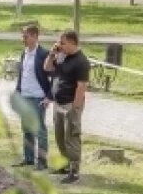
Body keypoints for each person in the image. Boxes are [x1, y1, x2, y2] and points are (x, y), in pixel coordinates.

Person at [43, 29, 91, 184]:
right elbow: (47, 68)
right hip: (59, 103)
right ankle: (64, 165)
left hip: (71, 104)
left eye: (63, 43)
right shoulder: (62, 57)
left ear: (72, 42)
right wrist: (52, 54)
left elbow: (82, 86)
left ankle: (74, 171)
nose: (60, 45)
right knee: (60, 136)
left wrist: (75, 108)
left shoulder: (81, 61)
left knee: (72, 137)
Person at [14, 23, 53, 170]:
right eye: (22, 36)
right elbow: (22, 75)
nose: (23, 39)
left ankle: (42, 162)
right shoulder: (24, 53)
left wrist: (49, 96)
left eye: (26, 36)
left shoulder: (44, 54)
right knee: (27, 129)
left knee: (39, 130)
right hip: (25, 96)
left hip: (38, 97)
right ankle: (28, 158)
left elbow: (53, 78)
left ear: (35, 36)